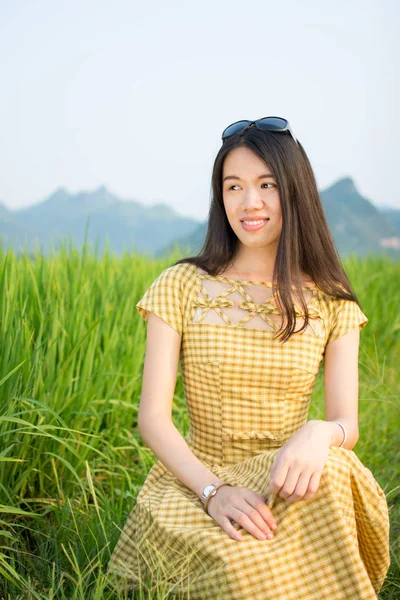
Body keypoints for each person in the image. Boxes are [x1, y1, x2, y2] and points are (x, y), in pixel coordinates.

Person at [107, 117, 390, 599]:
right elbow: (153, 419)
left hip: (287, 478)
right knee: (244, 574)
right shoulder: (182, 286)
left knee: (337, 466)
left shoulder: (332, 300)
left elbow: (348, 423)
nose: (249, 202)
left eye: (266, 185)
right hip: (198, 483)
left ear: (293, 191)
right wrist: (214, 493)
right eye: (233, 186)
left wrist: (320, 432)